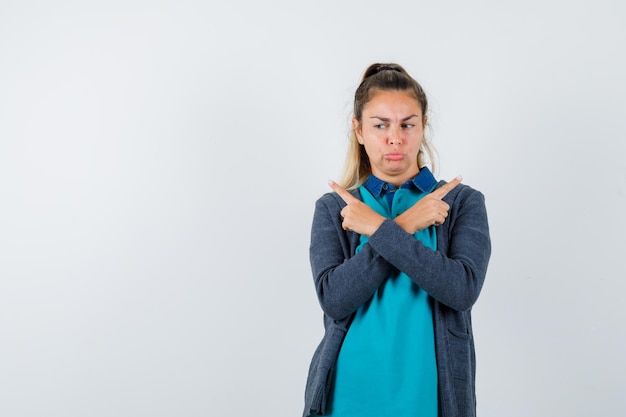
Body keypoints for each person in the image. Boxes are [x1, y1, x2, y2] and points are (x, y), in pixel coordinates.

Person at [303, 63, 491, 417]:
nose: (395, 138)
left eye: (407, 124)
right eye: (380, 125)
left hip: (430, 397)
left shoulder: (462, 202)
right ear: (358, 130)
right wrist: (404, 224)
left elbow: (461, 290)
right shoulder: (335, 209)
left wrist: (379, 229)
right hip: (348, 394)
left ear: (423, 127)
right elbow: (334, 299)